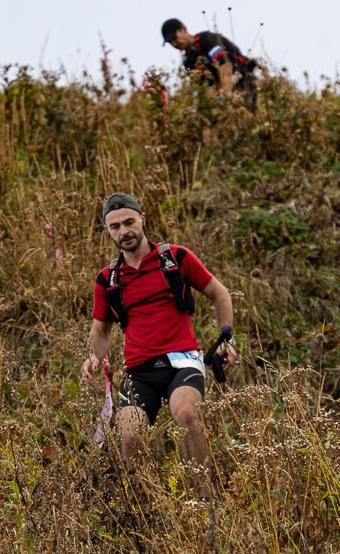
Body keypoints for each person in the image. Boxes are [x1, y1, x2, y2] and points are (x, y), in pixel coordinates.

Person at [82, 192, 237, 485]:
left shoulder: (175, 258)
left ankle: (203, 501)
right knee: (129, 435)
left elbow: (220, 294)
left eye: (129, 222)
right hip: (139, 369)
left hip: (184, 361)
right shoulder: (108, 279)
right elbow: (101, 331)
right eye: (115, 227)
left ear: (142, 219)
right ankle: (139, 507)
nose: (123, 231)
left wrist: (227, 340)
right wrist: (94, 357)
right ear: (107, 231)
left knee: (187, 413)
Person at [161, 17, 258, 100]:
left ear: (183, 29)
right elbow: (200, 87)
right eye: (170, 42)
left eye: (175, 38)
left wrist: (225, 94)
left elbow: (225, 66)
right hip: (223, 94)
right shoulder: (188, 61)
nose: (174, 44)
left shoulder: (206, 40)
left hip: (243, 78)